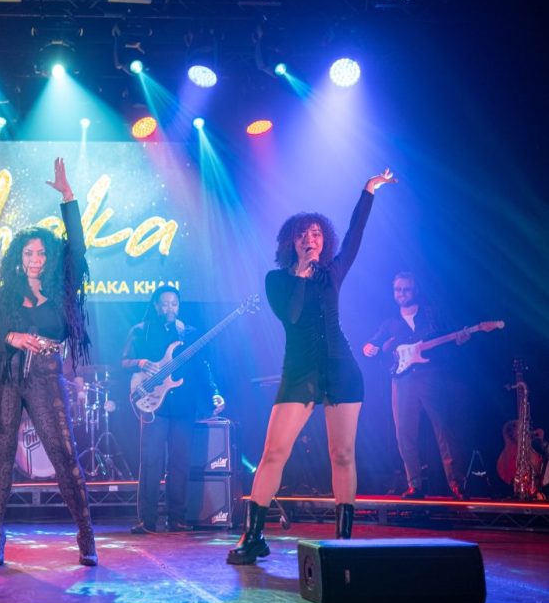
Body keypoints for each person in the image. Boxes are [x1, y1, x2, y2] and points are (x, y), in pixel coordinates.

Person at [228, 169, 396, 566]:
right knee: (274, 452)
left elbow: (355, 235)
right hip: (299, 372)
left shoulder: (334, 273)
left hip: (341, 370)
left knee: (342, 454)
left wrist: (368, 191)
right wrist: (302, 273)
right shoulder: (276, 281)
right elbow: (291, 315)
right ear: (292, 242)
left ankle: (343, 542)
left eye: (317, 233)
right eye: (303, 234)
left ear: (324, 241)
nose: (311, 239)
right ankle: (254, 536)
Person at [0, 157, 97, 567]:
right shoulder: (6, 296)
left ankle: (86, 536)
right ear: (19, 258)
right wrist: (10, 337)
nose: (36, 258)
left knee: (64, 457)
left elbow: (78, 248)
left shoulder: (61, 290)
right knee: (0, 463)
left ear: (50, 257)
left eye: (41, 252)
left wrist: (68, 197)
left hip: (44, 376)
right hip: (6, 378)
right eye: (29, 253)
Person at [122, 286, 226, 534]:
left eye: (174, 304)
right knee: (151, 462)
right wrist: (140, 362)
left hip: (183, 405)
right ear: (156, 305)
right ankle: (147, 520)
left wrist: (214, 391)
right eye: (165, 303)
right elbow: (123, 362)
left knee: (180, 462)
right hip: (154, 405)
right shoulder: (140, 331)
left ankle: (177, 517)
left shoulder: (188, 333)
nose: (170, 308)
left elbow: (202, 366)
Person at [363, 272, 467, 499]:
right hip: (402, 382)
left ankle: (456, 483)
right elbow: (373, 343)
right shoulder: (390, 323)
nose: (401, 293)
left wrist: (461, 339)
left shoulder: (431, 314)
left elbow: (451, 337)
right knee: (404, 433)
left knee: (444, 429)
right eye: (398, 289)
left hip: (431, 376)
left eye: (406, 289)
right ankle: (415, 485)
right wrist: (369, 347)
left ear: (415, 291)